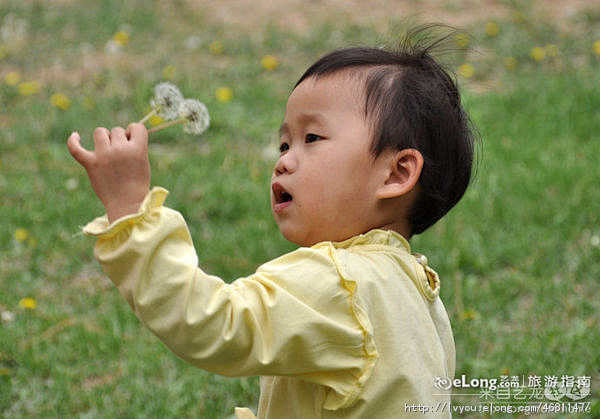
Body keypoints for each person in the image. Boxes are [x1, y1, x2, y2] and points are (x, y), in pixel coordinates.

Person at [67, 26, 477, 419]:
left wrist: (131, 210)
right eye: (285, 143)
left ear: (396, 174)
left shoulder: (339, 282)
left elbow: (212, 325)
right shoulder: (419, 292)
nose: (283, 160)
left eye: (312, 139)